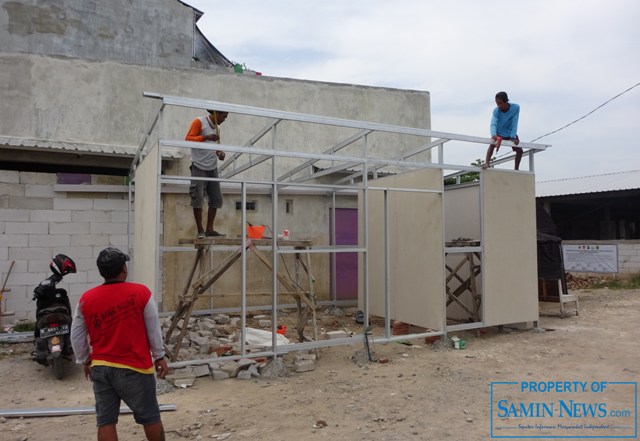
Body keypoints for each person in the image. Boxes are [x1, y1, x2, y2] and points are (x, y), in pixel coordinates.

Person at [70, 247, 169, 441]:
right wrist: (159, 356)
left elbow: (76, 335)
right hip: (135, 368)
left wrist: (85, 360)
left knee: (105, 421)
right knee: (150, 417)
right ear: (124, 268)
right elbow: (153, 328)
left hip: (101, 368)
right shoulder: (141, 293)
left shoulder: (86, 299)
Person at [185, 109, 228, 238]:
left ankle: (210, 229)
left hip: (212, 167)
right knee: (197, 197)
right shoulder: (199, 122)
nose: (224, 120)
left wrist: (220, 153)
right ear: (216, 114)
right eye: (223, 116)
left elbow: (214, 147)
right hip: (198, 165)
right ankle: (200, 230)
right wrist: (205, 137)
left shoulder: (217, 129)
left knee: (216, 198)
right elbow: (188, 139)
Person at [483, 91, 522, 170]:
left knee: (520, 150)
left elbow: (515, 122)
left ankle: (516, 169)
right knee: (491, 145)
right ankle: (487, 162)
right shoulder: (496, 111)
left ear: (506, 102)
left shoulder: (515, 108)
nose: (499, 106)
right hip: (499, 134)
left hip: (510, 133)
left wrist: (513, 136)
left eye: (500, 103)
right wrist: (494, 135)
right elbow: (493, 123)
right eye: (497, 103)